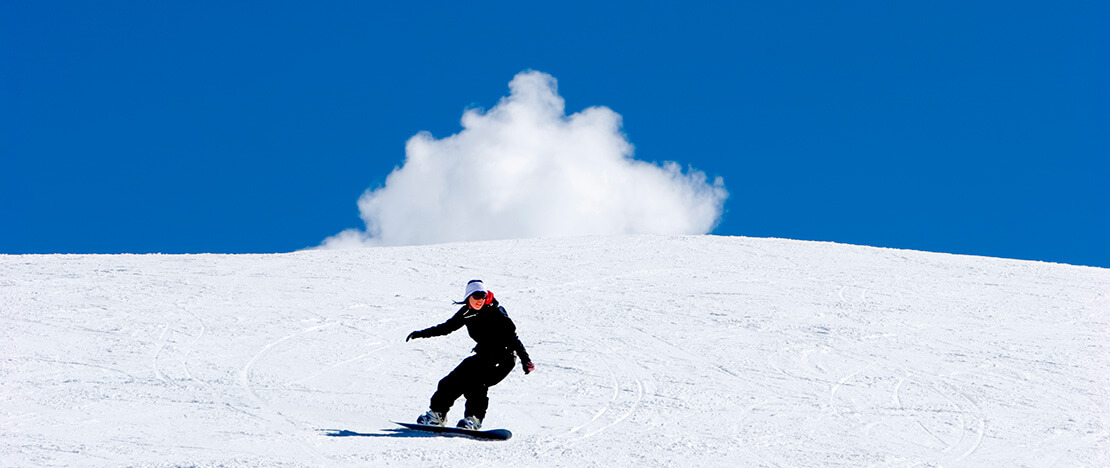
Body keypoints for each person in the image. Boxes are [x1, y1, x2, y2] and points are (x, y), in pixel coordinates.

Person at [406, 280, 535, 430]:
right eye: (476, 296)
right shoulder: (466, 313)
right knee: (450, 381)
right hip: (484, 356)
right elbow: (446, 328)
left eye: (483, 296)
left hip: (503, 358)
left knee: (476, 383)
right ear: (468, 297)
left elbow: (513, 338)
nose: (480, 300)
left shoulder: (496, 312)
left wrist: (526, 360)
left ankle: (473, 419)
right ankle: (437, 415)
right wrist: (420, 334)